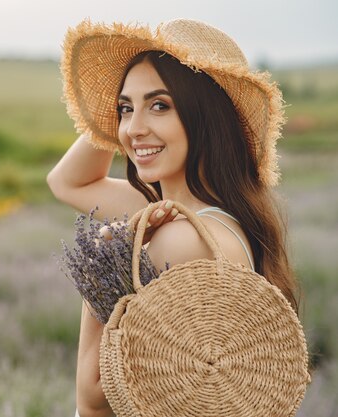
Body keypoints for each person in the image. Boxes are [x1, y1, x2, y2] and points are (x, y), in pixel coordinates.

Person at [46, 19, 301, 417]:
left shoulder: (180, 239)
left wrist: (103, 262)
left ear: (206, 116)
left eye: (160, 105)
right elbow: (67, 183)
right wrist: (124, 120)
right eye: (124, 109)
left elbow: (94, 398)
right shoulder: (213, 215)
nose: (131, 130)